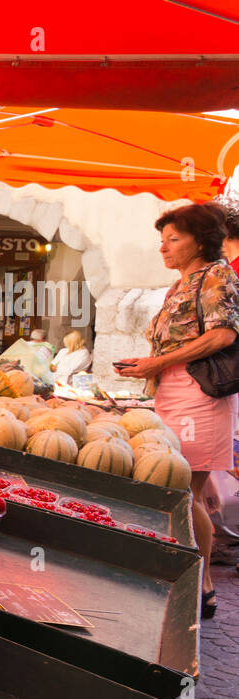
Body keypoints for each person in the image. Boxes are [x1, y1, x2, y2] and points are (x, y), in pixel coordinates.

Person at [118, 203, 239, 619]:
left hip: (199, 398)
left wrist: (158, 364)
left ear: (200, 240)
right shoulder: (181, 284)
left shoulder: (216, 275)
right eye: (162, 239)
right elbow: (173, 345)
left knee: (184, 493)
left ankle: (200, 584)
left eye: (173, 239)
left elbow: (223, 333)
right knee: (176, 490)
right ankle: (180, 574)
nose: (163, 247)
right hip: (173, 393)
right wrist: (149, 365)